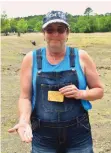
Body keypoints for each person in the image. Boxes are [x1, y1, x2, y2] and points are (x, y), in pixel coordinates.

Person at [8, 10, 104, 153]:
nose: (55, 34)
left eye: (60, 30)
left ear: (67, 33)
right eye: (50, 30)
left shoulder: (81, 57)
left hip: (78, 135)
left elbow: (99, 91)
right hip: (43, 135)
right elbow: (25, 97)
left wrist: (81, 93)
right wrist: (23, 121)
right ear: (44, 33)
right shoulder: (31, 59)